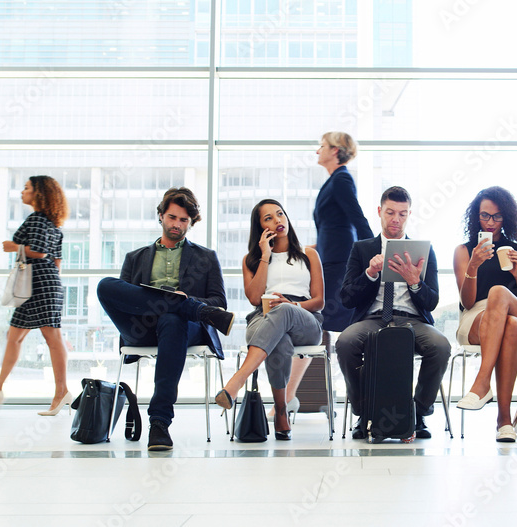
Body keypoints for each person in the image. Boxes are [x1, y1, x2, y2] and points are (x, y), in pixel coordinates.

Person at [96, 187, 236, 451]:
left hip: (183, 328)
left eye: (184, 220)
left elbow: (219, 303)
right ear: (160, 216)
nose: (177, 224)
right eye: (172, 217)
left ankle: (159, 422)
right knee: (105, 285)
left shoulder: (206, 258)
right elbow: (124, 299)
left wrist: (179, 302)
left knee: (172, 318)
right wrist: (181, 301)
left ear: (191, 222)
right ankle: (188, 306)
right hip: (140, 327)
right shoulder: (135, 257)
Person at [269, 132, 375, 420]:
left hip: (338, 267)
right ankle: (290, 398)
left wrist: (374, 249)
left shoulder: (341, 180)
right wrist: (308, 249)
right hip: (329, 261)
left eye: (322, 146)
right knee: (317, 329)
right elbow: (333, 228)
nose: (318, 150)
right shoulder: (333, 180)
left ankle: (292, 398)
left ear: (337, 151)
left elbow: (357, 218)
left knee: (319, 327)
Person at [335, 186, 451, 440]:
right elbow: (346, 298)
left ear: (409, 215)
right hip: (373, 319)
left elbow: (431, 301)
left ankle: (416, 412)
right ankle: (364, 412)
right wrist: (369, 274)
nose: (396, 219)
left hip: (412, 320)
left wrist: (415, 282)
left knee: (440, 346)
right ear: (380, 212)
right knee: (345, 342)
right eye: (390, 212)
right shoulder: (362, 249)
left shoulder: (424, 251)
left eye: (402, 214)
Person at [214, 199, 325, 440]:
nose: (278, 220)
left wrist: (291, 304)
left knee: (283, 313)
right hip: (262, 317)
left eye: (280, 214)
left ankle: (237, 381)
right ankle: (282, 411)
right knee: (280, 340)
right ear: (260, 228)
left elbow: (319, 301)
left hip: (305, 317)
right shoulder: (251, 259)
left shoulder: (309, 255)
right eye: (269, 218)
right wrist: (265, 255)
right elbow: (255, 298)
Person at [0, 176, 70, 416]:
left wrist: (14, 247)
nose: (22, 191)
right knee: (15, 336)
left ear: (39, 193)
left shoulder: (37, 219)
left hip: (38, 286)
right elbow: (55, 263)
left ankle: (62, 392)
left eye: (27, 188)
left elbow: (38, 251)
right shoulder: (54, 225)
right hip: (45, 284)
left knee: (51, 337)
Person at [452, 187, 517, 442]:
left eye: (498, 217)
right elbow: (467, 302)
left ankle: (482, 381)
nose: (491, 223)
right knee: (508, 325)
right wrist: (474, 265)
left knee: (500, 294)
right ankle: (504, 420)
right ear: (475, 217)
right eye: (485, 216)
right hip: (477, 316)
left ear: (507, 218)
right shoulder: (464, 251)